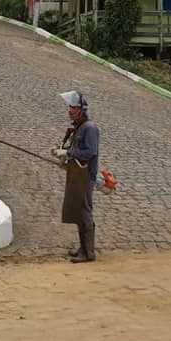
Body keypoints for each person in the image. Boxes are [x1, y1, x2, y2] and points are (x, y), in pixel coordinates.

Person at [51, 90, 100, 263]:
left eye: (74, 107)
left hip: (85, 176)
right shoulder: (78, 127)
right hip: (76, 174)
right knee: (79, 211)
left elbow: (89, 152)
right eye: (70, 107)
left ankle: (88, 253)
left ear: (82, 110)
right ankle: (83, 248)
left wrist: (68, 152)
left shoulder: (90, 128)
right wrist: (63, 154)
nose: (70, 110)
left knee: (84, 211)